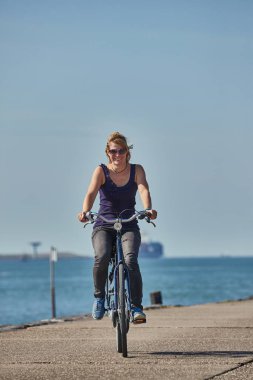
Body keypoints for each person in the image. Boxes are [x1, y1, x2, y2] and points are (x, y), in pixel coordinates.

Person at [78, 131, 157, 323]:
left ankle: (136, 307)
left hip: (129, 224)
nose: (117, 155)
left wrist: (148, 209)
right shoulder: (101, 171)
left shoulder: (137, 170)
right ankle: (99, 298)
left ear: (127, 153)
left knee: (130, 260)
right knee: (102, 256)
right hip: (103, 224)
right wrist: (85, 212)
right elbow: (91, 193)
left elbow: (143, 188)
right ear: (108, 152)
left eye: (121, 151)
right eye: (114, 151)